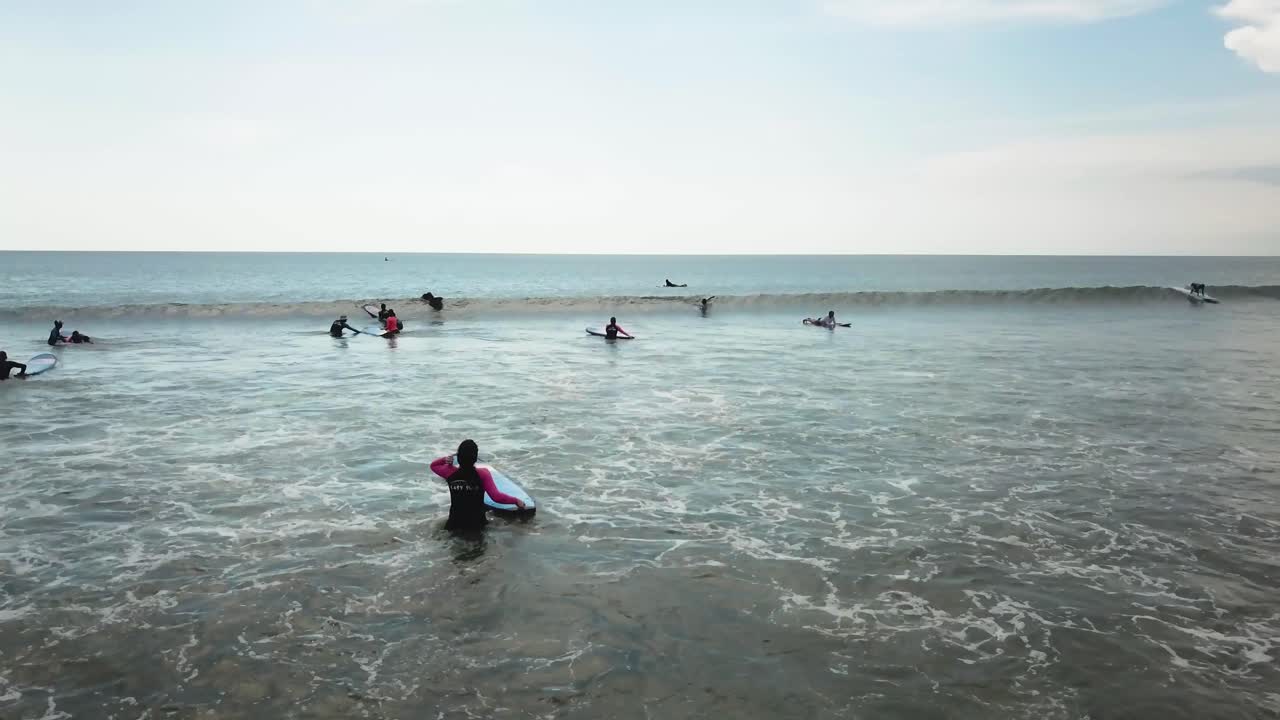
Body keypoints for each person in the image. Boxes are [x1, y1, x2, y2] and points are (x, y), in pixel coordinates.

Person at [430, 439, 526, 531]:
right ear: (475, 458)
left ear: (458, 457)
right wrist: (516, 501)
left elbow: (433, 465)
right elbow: (496, 497)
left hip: (454, 524)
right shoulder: (483, 473)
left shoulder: (449, 472)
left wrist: (445, 459)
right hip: (477, 525)